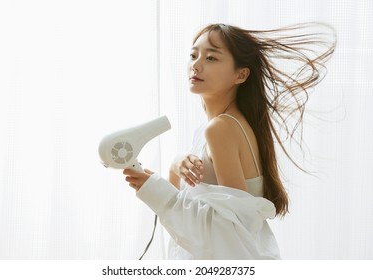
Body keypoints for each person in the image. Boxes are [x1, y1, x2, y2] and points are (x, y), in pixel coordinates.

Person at [123, 22, 336, 259]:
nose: (196, 64)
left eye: (211, 58)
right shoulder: (216, 127)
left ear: (241, 74)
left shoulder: (221, 129)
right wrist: (174, 165)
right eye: (193, 55)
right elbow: (180, 219)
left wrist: (154, 190)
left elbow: (230, 231)